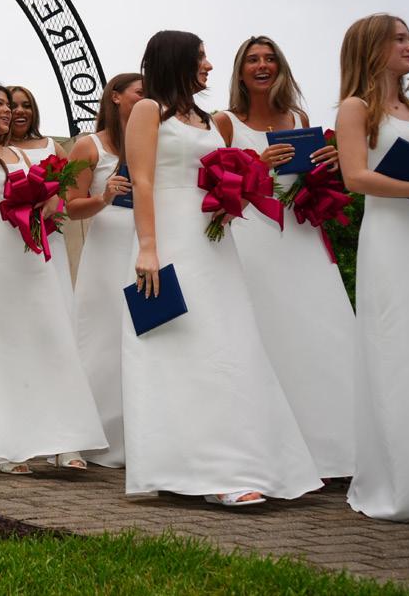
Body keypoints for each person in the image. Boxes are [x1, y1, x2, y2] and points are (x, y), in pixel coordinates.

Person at [124, 30, 321, 506]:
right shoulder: (148, 111)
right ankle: (202, 472)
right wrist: (148, 247)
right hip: (169, 239)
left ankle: (244, 461)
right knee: (178, 348)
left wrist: (242, 189)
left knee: (228, 345)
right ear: (177, 61)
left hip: (214, 241)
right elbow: (143, 181)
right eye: (201, 57)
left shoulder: (209, 120)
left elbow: (219, 175)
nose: (209, 65)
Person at [0, 83, 106, 474]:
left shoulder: (21, 154)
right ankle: (7, 446)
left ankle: (64, 440)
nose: (7, 111)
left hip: (30, 255)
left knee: (48, 341)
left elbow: (54, 192)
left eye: (8, 104)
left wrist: (50, 202)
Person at [214, 36, 355, 480]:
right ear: (240, 72)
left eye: (270, 59)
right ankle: (278, 451)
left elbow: (308, 180)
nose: (262, 65)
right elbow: (214, 187)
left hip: (300, 234)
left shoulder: (299, 119)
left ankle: (337, 453)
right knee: (268, 335)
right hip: (253, 238)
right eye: (253, 60)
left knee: (320, 334)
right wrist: (258, 162)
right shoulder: (225, 123)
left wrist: (330, 161)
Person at [336, 13, 409, 523]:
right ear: (371, 48)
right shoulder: (356, 108)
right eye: (398, 39)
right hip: (393, 240)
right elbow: (356, 177)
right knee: (400, 348)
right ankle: (405, 481)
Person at [64, 72, 144, 467]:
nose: (147, 99)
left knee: (142, 333)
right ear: (115, 96)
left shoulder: (151, 140)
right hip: (107, 242)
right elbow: (71, 206)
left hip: (144, 240)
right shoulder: (88, 145)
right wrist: (104, 196)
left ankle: (137, 437)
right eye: (140, 93)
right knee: (102, 336)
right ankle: (87, 435)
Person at [8, 85, 77, 309]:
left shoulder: (50, 145)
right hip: (9, 234)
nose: (20, 110)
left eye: (26, 106)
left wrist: (57, 198)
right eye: (13, 105)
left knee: (53, 298)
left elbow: (72, 184)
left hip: (49, 233)